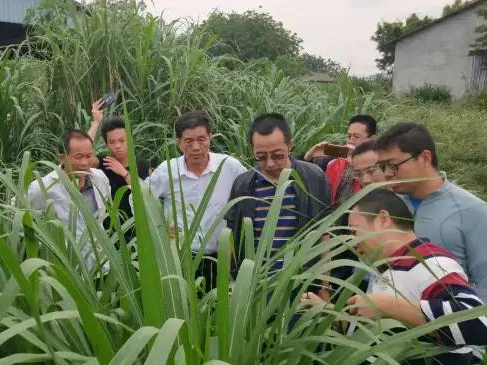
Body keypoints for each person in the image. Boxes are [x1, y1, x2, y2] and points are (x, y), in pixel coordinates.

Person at [303, 189, 487, 365]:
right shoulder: (391, 269)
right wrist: (328, 311)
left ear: (383, 218)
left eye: (354, 231)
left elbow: (477, 324)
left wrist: (391, 307)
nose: (352, 242)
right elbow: (382, 335)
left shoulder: (430, 263)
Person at [373, 122, 487, 301]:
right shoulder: (387, 206)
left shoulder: (472, 211)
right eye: (382, 166)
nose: (387, 174)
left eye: (393, 165)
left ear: (425, 158)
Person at [144, 111, 246, 289]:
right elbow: (138, 200)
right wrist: (160, 227)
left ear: (210, 138)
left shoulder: (229, 166)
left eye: (201, 139)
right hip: (182, 258)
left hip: (224, 257)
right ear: (179, 143)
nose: (196, 147)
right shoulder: (168, 170)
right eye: (188, 141)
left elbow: (250, 194)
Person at [226, 113, 331, 272]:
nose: (269, 163)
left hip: (301, 282)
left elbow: (324, 233)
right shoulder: (243, 184)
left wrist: (324, 286)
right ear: (252, 149)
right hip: (253, 281)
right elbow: (230, 237)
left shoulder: (314, 177)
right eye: (260, 156)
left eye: (278, 155)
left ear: (290, 145)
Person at [28, 130, 111, 268]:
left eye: (89, 156)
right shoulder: (42, 187)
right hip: (66, 267)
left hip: (102, 264)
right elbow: (21, 213)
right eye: (78, 157)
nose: (85, 162)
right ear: (62, 158)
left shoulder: (100, 178)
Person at [88, 99, 151, 220]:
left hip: (137, 229)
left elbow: (148, 197)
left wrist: (124, 173)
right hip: (109, 230)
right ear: (106, 144)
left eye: (122, 141)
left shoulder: (143, 165)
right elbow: (83, 154)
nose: (117, 146)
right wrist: (96, 122)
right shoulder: (103, 162)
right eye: (112, 142)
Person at [304, 114, 377, 171]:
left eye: (356, 137)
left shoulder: (380, 162)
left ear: (372, 139)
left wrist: (354, 163)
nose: (351, 141)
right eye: (349, 136)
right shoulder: (335, 159)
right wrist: (309, 157)